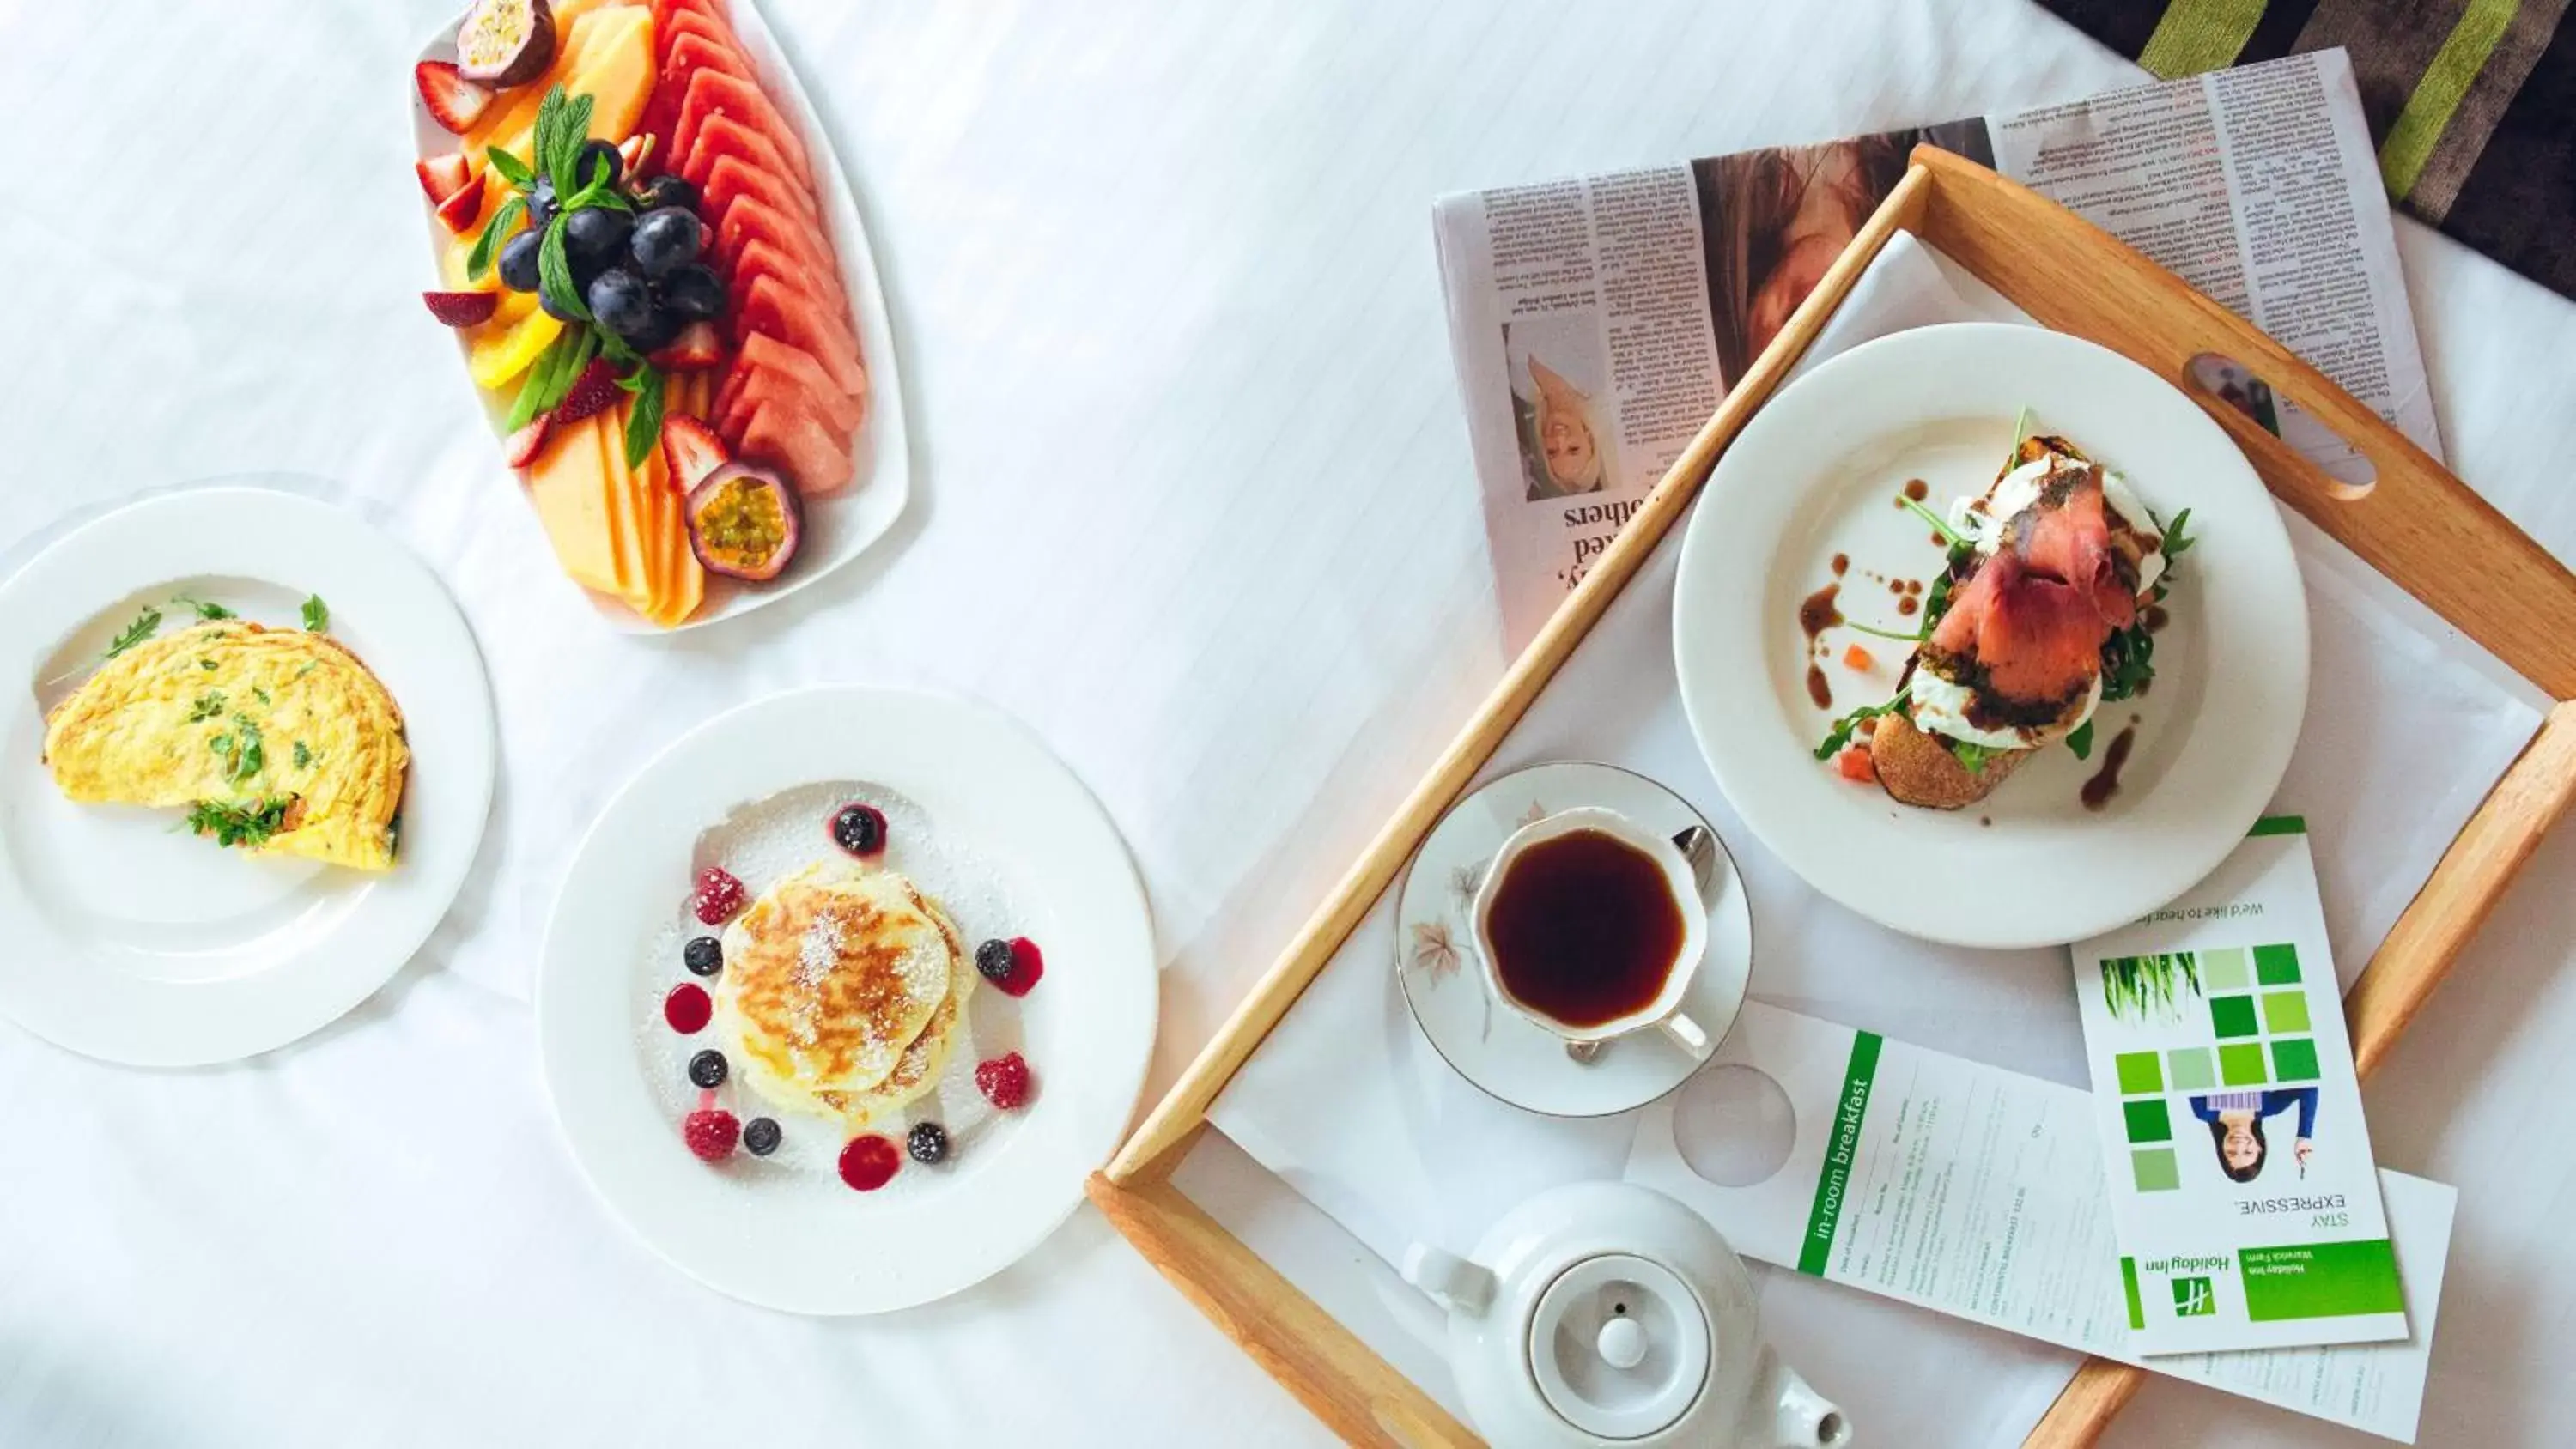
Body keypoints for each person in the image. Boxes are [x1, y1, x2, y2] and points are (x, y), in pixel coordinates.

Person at [1522, 356, 1608, 499]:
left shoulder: (1522, 386)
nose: (1560, 438)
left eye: (1552, 451)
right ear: (1588, 438)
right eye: (1573, 448)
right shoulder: (1596, 380)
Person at [2190, 1088, 2317, 1182]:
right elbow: (2309, 1088)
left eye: (2231, 1152)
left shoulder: (2204, 1110)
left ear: (2221, 1149)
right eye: (2248, 1152)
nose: (2239, 1145)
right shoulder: (2270, 1106)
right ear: (2259, 1148)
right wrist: (2304, 1136)